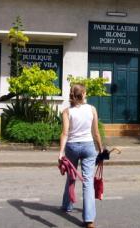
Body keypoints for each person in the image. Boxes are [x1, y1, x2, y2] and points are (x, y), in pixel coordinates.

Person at [58, 84, 103, 228]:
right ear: (82, 94)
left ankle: (67, 205)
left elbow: (65, 133)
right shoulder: (92, 109)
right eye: (85, 92)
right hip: (89, 147)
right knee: (88, 182)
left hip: (72, 147)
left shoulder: (67, 112)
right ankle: (89, 220)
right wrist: (100, 149)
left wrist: (61, 152)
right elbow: (96, 133)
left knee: (71, 176)